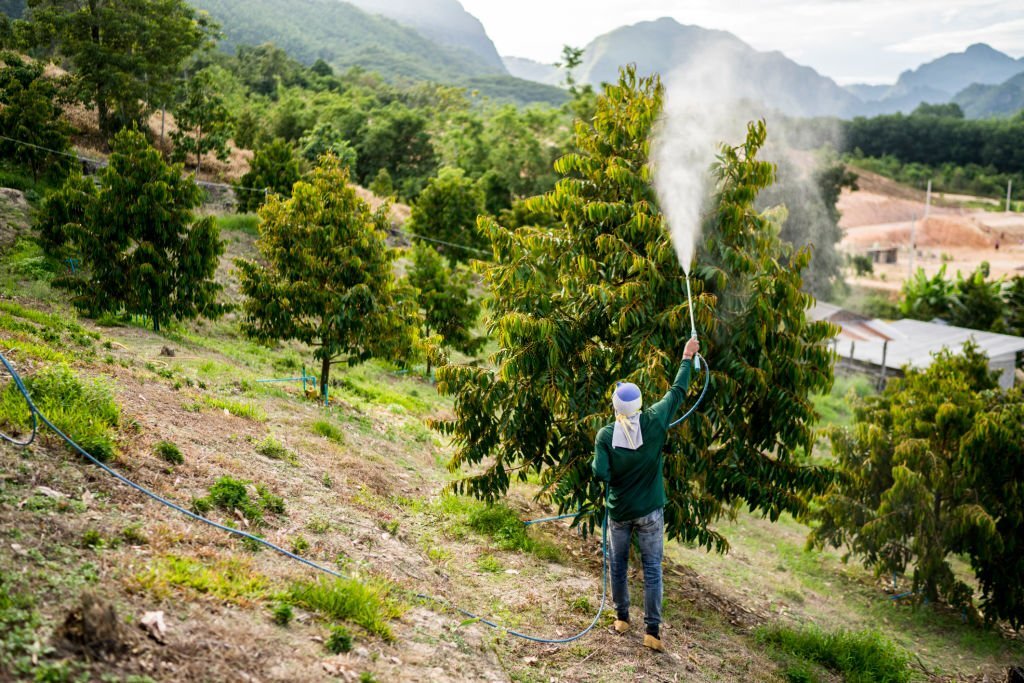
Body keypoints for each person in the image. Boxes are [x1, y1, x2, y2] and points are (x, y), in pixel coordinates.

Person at [592, 336, 700, 652]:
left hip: (620, 513)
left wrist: (600, 461)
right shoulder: (654, 420)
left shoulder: (606, 435)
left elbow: (601, 474)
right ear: (639, 405)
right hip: (651, 512)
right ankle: (652, 633)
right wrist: (685, 356)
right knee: (653, 569)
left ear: (615, 408)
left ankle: (622, 619)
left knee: (618, 564)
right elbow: (678, 391)